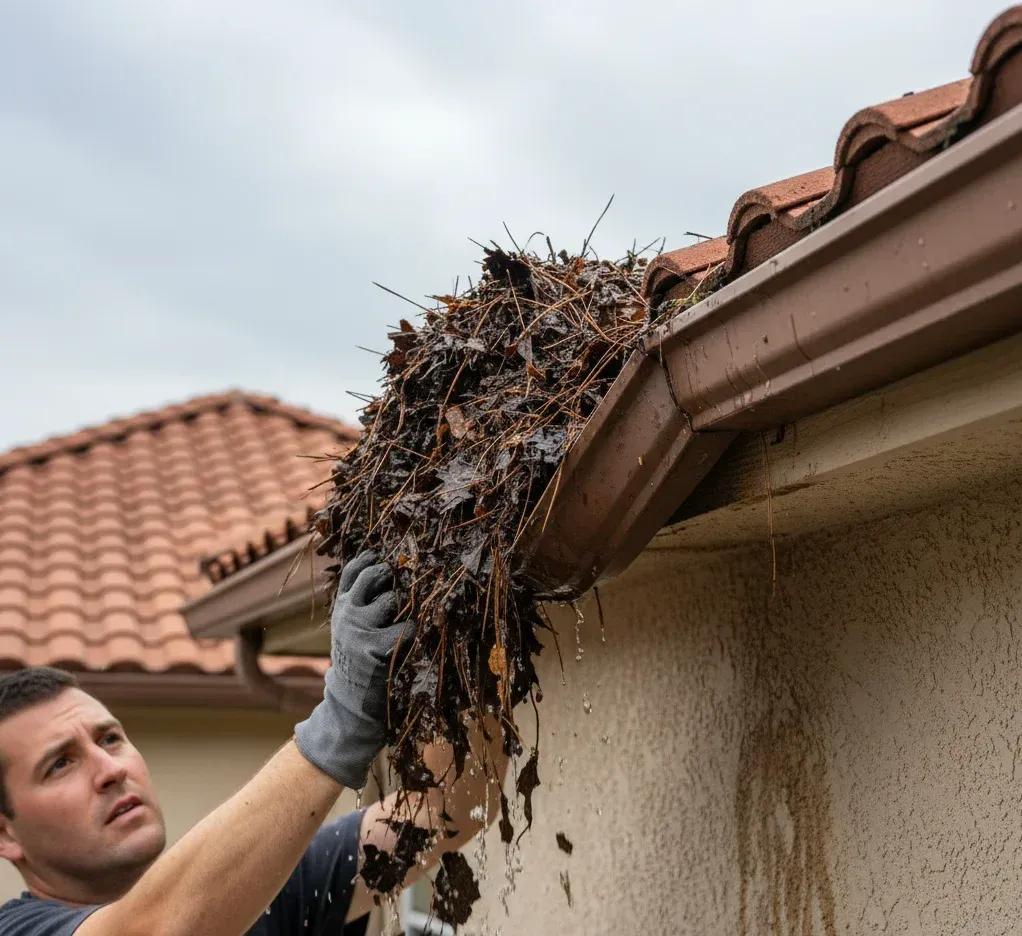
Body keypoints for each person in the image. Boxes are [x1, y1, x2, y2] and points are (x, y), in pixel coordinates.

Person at [0, 552, 505, 935]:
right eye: (59, 764)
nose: (108, 768)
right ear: (6, 834)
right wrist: (341, 724)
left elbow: (450, 808)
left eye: (110, 738)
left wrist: (460, 642)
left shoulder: (262, 892)